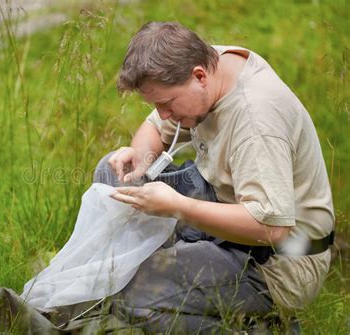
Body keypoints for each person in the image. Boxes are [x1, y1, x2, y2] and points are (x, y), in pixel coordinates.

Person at [99, 21, 334, 333]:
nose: (164, 113)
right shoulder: (209, 68)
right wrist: (140, 164)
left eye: (166, 104)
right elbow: (155, 128)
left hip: (275, 263)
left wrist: (177, 207)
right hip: (222, 203)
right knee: (111, 171)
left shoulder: (256, 122)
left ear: (199, 77)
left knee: (135, 295)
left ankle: (262, 327)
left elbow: (272, 228)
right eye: (156, 104)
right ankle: (159, 270)